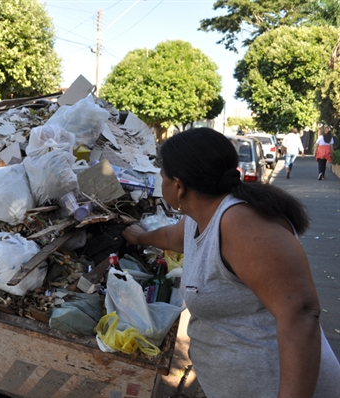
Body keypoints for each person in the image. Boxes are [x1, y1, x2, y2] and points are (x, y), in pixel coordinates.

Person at [122, 128, 340, 398]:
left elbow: (301, 314)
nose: (160, 181)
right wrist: (138, 237)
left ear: (178, 186)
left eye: (162, 176)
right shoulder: (199, 217)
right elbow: (171, 236)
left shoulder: (240, 224)